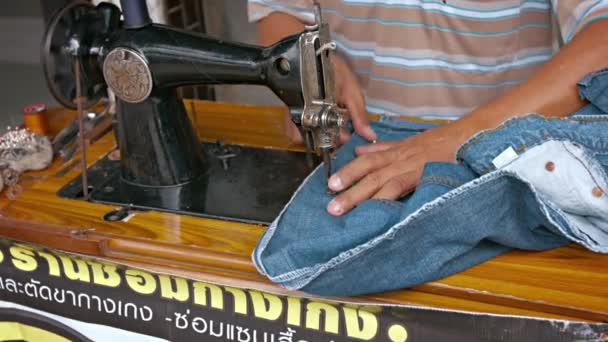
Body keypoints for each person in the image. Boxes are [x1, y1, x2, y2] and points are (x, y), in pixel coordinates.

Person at [248, 0, 608, 216]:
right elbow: (281, 12)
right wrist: (306, 67)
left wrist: (463, 138)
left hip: (498, 162)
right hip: (357, 149)